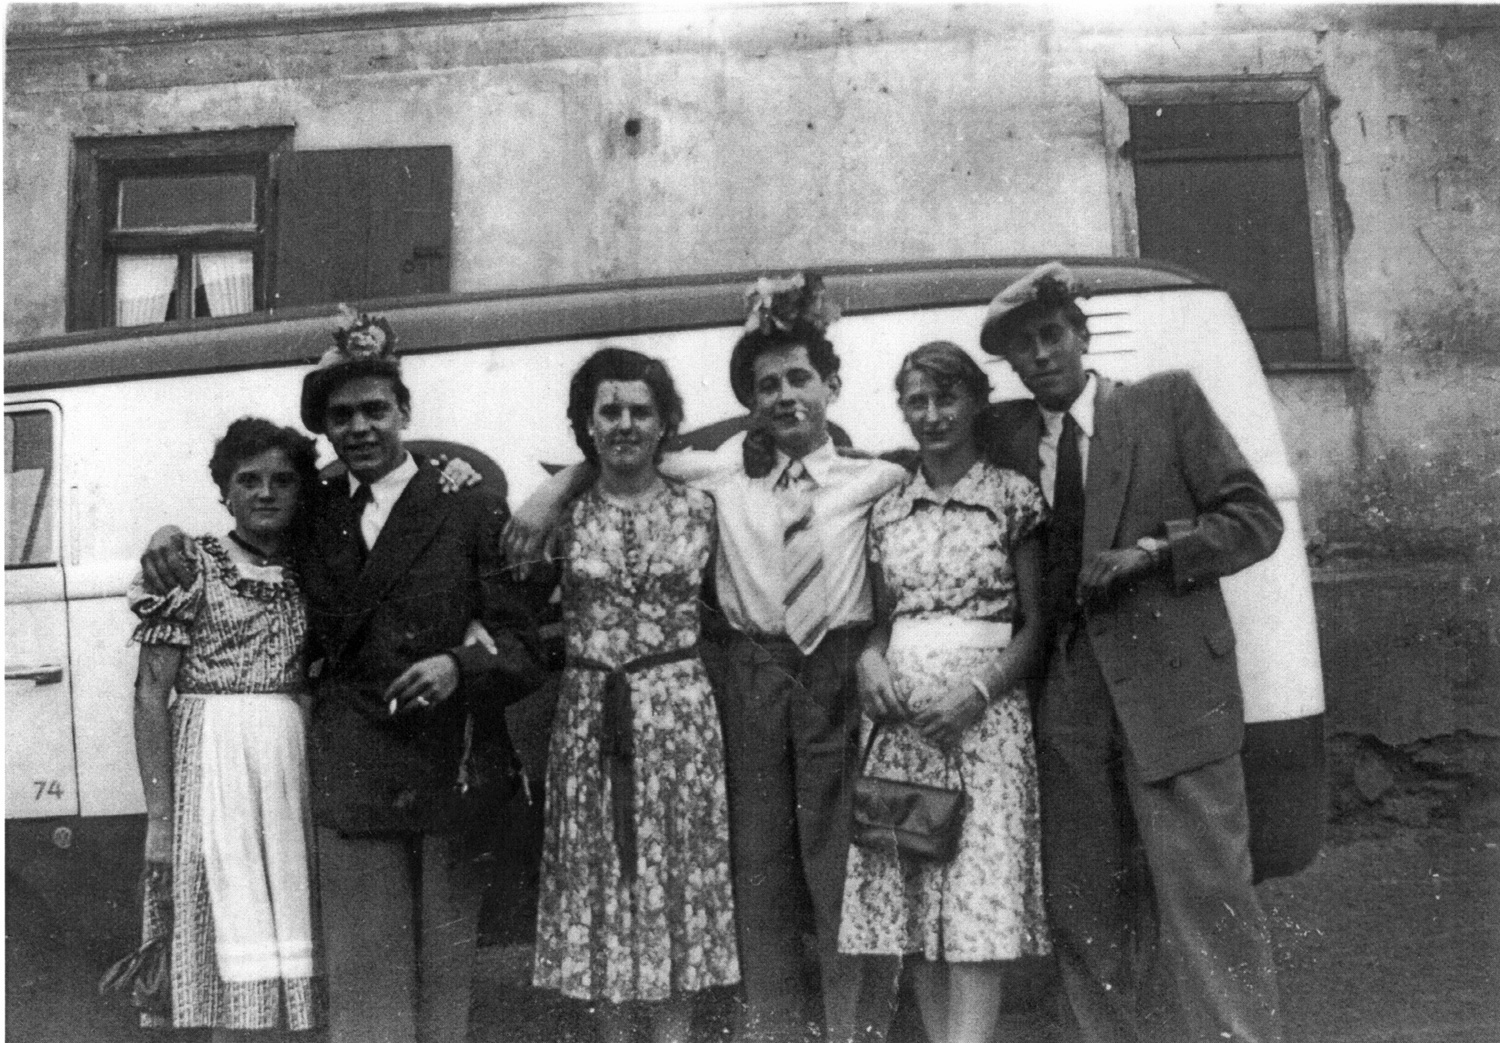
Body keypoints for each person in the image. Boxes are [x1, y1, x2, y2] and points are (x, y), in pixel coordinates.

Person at [508, 274, 907, 1043]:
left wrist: (876, 648)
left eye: (799, 378)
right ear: (750, 401)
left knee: (844, 866)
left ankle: (856, 1033)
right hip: (756, 671)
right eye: (766, 385)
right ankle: (774, 1031)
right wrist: (553, 489)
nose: (784, 396)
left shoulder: (879, 479)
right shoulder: (722, 470)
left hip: (835, 672)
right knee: (757, 868)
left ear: (831, 385)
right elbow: (625, 460)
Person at [140, 311, 546, 1043]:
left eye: (374, 409)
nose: (359, 427)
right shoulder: (315, 513)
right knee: (365, 992)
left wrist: (458, 666)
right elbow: (240, 533)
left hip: (449, 766)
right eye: (341, 416)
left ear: (404, 413)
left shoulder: (468, 505)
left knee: (444, 987)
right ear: (325, 430)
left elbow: (523, 644)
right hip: (352, 769)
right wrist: (165, 537)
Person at [976, 263, 1285, 1043]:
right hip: (1070, 697)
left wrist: (1153, 552)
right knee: (1085, 905)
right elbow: (927, 444)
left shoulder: (1164, 403)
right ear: (1011, 364)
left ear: (1082, 335)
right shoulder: (1008, 438)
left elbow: (1255, 519)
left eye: (1052, 334)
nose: (1041, 353)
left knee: (1208, 896)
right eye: (1023, 345)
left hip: (1175, 686)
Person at [837, 342, 1050, 1043]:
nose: (932, 415)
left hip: (983, 727)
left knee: (977, 903)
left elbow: (1037, 626)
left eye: (947, 397)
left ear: (977, 402)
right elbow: (881, 622)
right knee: (914, 905)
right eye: (917, 401)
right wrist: (870, 661)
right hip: (901, 732)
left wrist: (977, 692)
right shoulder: (889, 510)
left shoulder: (1012, 497)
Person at [530, 347, 740, 1043]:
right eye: (609, 411)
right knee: (603, 877)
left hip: (679, 716)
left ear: (664, 422)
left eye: (640, 411)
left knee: (673, 877)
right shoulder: (561, 515)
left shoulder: (702, 508)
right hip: (592, 715)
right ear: (587, 424)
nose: (624, 424)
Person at [129, 417, 322, 1038]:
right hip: (213, 758)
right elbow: (150, 692)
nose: (266, 493)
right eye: (248, 480)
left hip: (290, 757)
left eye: (283, 480)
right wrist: (160, 818)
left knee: (292, 922)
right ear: (224, 491)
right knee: (224, 918)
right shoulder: (192, 566)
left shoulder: (314, 567)